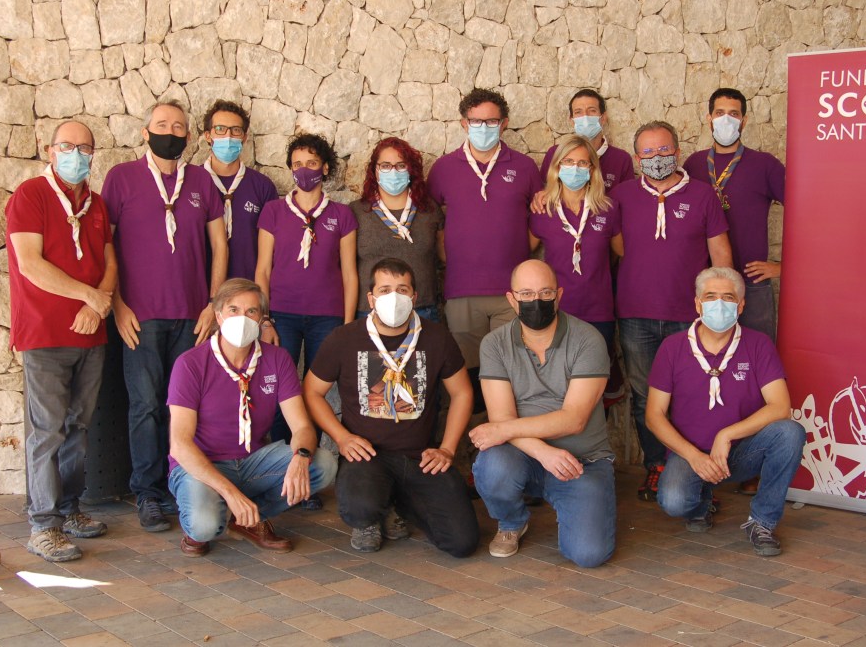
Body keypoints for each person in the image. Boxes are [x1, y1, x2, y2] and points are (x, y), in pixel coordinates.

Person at [102, 100, 228, 532]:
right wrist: (117, 305)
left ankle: (183, 485)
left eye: (178, 127)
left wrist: (213, 304)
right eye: (161, 125)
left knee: (186, 407)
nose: (169, 132)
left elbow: (220, 245)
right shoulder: (121, 178)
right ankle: (148, 493)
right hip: (140, 317)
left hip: (192, 318)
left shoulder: (201, 182)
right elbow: (106, 246)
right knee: (145, 407)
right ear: (145, 132)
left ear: (189, 137)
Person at [304, 259, 479, 556]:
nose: (393, 297)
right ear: (371, 298)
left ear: (414, 297)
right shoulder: (344, 338)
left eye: (402, 289)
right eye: (384, 290)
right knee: (360, 509)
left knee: (462, 542)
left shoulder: (437, 337)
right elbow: (311, 391)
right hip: (367, 456)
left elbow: (462, 392)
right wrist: (341, 438)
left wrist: (448, 449)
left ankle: (401, 502)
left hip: (420, 457)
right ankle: (374, 516)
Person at [7, 120, 116, 562]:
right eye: (67, 146)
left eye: (84, 148)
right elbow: (30, 264)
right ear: (50, 151)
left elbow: (109, 261)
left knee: (78, 428)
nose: (76, 155)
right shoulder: (30, 195)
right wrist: (87, 295)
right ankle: (43, 525)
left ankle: (70, 509)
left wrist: (97, 305)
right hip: (45, 334)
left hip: (91, 333)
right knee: (47, 431)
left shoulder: (96, 203)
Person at [168, 279, 336, 557]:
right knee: (204, 526)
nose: (242, 318)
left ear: (261, 319)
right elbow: (180, 445)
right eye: (233, 310)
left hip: (252, 461)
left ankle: (248, 518)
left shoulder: (277, 359)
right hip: (203, 464)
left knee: (323, 464)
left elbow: (302, 426)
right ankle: (210, 515)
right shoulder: (191, 363)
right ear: (219, 315)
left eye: (251, 311)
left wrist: (301, 456)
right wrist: (230, 493)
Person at [610, 120, 733, 503]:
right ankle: (657, 466)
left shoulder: (703, 195)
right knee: (645, 396)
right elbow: (616, 246)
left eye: (664, 150)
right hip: (636, 315)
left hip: (691, 318)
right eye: (648, 152)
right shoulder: (621, 195)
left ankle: (699, 471)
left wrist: (723, 307)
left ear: (678, 152)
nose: (657, 158)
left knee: (694, 394)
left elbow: (721, 255)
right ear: (637, 158)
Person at [646, 267, 804, 556]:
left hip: (741, 452)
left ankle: (763, 522)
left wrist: (727, 435)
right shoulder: (673, 347)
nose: (719, 304)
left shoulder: (758, 344)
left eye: (728, 297)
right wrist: (694, 457)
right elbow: (654, 415)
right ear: (697, 303)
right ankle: (701, 502)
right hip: (690, 453)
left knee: (790, 433)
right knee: (674, 502)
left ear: (741, 306)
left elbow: (780, 406)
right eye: (710, 296)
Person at [470, 260, 615, 568]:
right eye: (526, 294)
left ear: (558, 295)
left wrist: (502, 430)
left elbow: (574, 419)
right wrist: (543, 452)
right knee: (492, 467)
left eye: (545, 292)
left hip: (582, 461)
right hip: (522, 455)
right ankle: (512, 521)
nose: (536, 301)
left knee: (589, 555)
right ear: (512, 299)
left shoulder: (587, 339)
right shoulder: (495, 344)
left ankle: (569, 502)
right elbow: (501, 416)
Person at [427, 88, 541, 390]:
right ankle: (476, 423)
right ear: (464, 123)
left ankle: (507, 422)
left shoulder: (525, 167)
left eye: (491, 121)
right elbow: (431, 219)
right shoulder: (443, 168)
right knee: (469, 375)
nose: (484, 127)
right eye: (476, 121)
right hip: (462, 292)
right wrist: (446, 254)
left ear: (504, 124)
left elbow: (540, 216)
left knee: (511, 372)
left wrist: (520, 250)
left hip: (512, 293)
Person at [255, 132, 358, 445]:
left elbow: (349, 274)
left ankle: (310, 457)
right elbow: (263, 269)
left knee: (317, 392)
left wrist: (348, 325)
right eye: (297, 163)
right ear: (290, 168)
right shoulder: (273, 211)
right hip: (281, 315)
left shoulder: (342, 215)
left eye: (311, 163)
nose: (304, 170)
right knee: (279, 387)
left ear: (325, 168)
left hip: (327, 317)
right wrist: (264, 319)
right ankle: (280, 457)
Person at [683, 88, 785, 342]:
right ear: (709, 118)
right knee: (705, 352)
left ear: (744, 120)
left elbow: (804, 215)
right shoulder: (694, 164)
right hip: (704, 283)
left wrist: (784, 268)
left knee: (757, 350)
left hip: (751, 281)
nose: (726, 119)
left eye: (734, 114)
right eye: (719, 113)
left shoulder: (765, 164)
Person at [530, 134, 622, 359]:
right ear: (557, 166)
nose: (575, 168)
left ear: (592, 169)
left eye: (582, 163)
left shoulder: (608, 209)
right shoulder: (543, 209)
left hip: (598, 311)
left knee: (596, 373)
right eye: (568, 162)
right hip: (556, 312)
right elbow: (524, 251)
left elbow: (619, 253)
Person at [351, 137, 443, 321]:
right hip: (370, 312)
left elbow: (445, 257)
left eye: (401, 166)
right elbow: (347, 269)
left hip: (422, 309)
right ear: (375, 170)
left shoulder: (430, 210)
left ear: (411, 170)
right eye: (385, 166)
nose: (393, 171)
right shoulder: (356, 211)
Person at [200, 100, 279, 281]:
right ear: (208, 135)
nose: (228, 136)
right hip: (201, 288)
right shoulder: (193, 182)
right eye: (220, 129)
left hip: (247, 286)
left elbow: (273, 247)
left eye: (236, 130)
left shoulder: (263, 186)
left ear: (244, 137)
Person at [538, 89, 636, 193]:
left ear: (603, 118)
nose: (585, 116)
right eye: (578, 112)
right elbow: (543, 194)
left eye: (592, 111)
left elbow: (628, 197)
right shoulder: (555, 154)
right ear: (572, 120)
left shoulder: (621, 159)